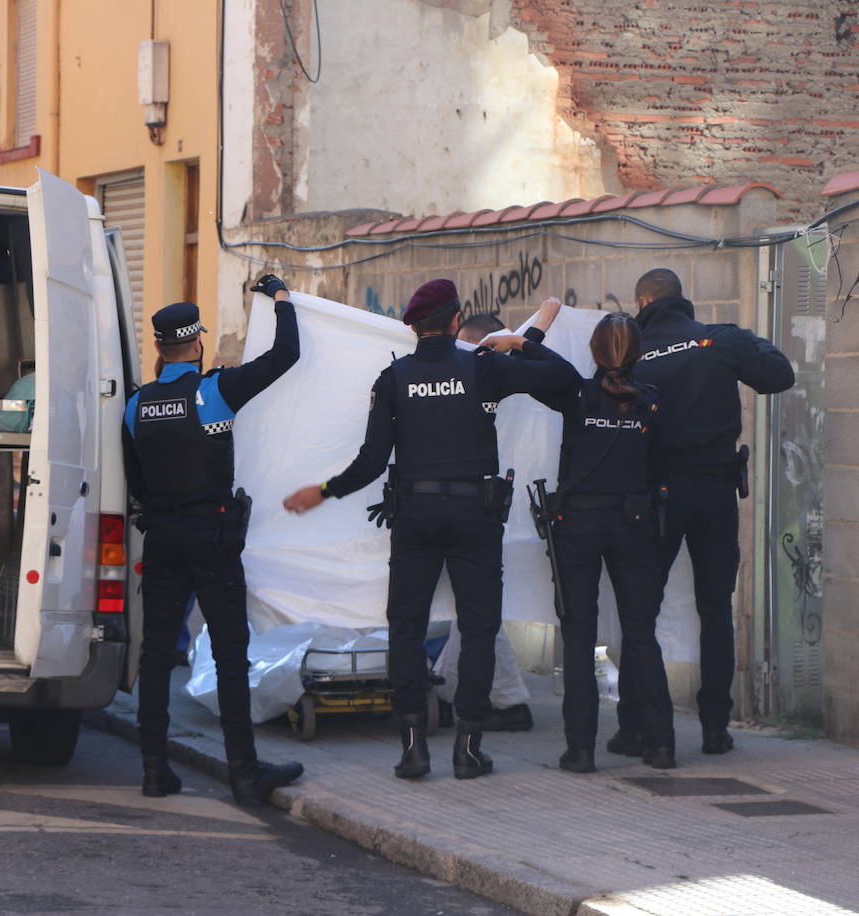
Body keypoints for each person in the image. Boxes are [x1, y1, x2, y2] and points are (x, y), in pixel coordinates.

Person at [284, 282, 580, 780]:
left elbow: (372, 461)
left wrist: (324, 490)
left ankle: (412, 749)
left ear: (413, 327)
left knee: (406, 627)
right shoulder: (484, 368)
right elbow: (564, 379)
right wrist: (519, 342)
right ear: (455, 320)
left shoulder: (394, 377)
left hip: (416, 516)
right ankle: (467, 750)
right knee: (480, 629)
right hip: (475, 516)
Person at [123, 275, 304, 806]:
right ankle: (244, 773)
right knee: (230, 652)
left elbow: (136, 482)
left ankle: (154, 770)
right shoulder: (214, 390)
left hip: (162, 538)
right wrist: (281, 298)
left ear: (159, 346)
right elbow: (286, 354)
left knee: (156, 654)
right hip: (212, 536)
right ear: (197, 343)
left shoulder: (136, 405)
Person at [609, 269, 795, 758]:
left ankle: (635, 726)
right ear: (681, 299)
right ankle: (716, 728)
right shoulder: (718, 339)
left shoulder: (631, 350)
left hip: (658, 495)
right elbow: (779, 374)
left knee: (640, 613)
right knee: (715, 608)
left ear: (643, 300)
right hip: (715, 491)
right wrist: (740, 340)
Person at [526, 309, 677, 772]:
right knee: (640, 633)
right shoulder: (650, 401)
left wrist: (527, 336)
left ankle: (582, 749)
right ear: (638, 353)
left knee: (578, 636)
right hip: (633, 521)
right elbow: (659, 467)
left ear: (594, 352)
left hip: (579, 524)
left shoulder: (577, 393)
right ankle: (661, 746)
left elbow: (536, 366)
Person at [452, 310, 535, 733]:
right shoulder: (492, 376)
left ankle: (508, 699)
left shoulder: (499, 376)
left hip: (486, 509)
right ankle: (457, 690)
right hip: (482, 508)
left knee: (478, 615)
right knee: (468, 613)